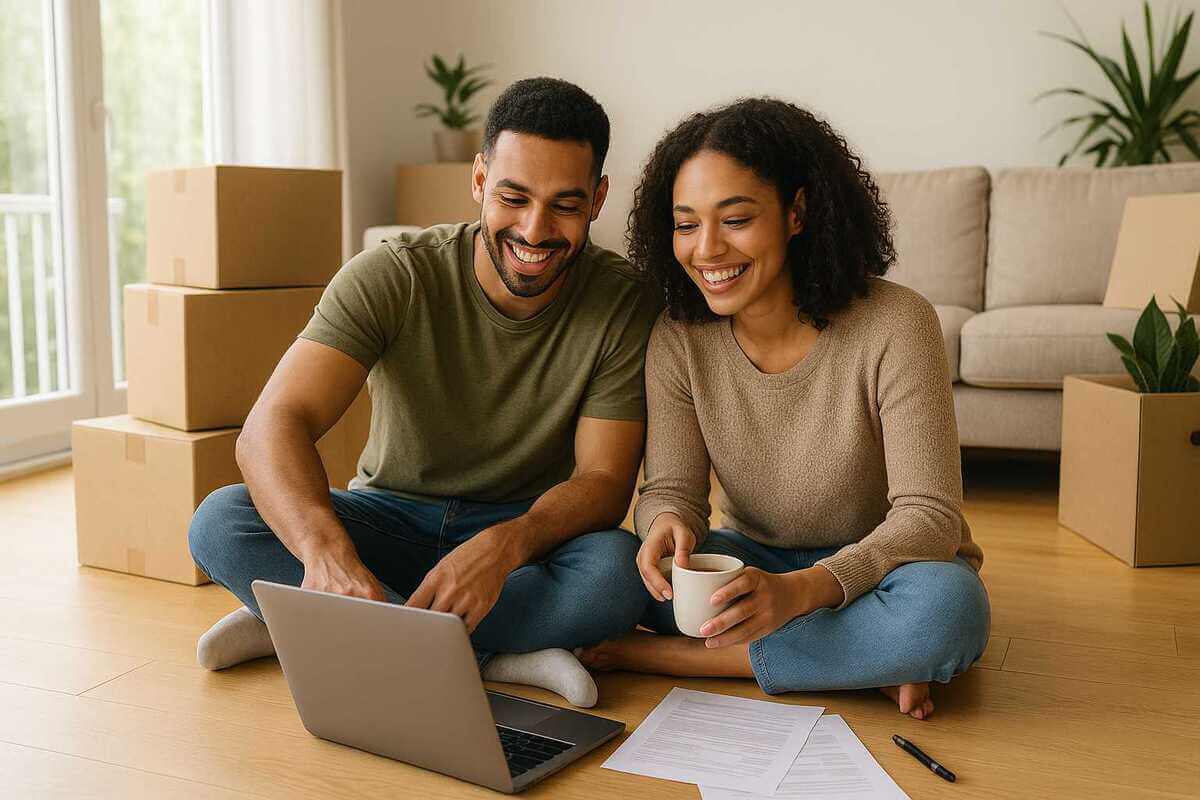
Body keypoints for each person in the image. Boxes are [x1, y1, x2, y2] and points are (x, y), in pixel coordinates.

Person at [187, 77, 662, 708]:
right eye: (513, 197)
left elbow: (604, 481)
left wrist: (507, 544)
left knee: (615, 573)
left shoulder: (621, 302)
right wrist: (326, 556)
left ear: (598, 198)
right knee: (221, 520)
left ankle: (309, 625)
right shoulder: (395, 272)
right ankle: (493, 653)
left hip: (518, 533)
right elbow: (272, 427)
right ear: (478, 180)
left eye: (565, 206)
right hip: (389, 514)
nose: (534, 230)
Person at [579, 98, 989, 720]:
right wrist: (667, 526)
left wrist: (802, 593)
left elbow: (930, 518)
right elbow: (672, 490)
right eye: (685, 224)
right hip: (754, 561)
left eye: (735, 219)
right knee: (612, 573)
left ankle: (689, 660)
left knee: (948, 613)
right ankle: (863, 661)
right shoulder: (679, 337)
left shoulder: (898, 324)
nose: (707, 250)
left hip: (882, 568)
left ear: (797, 213)